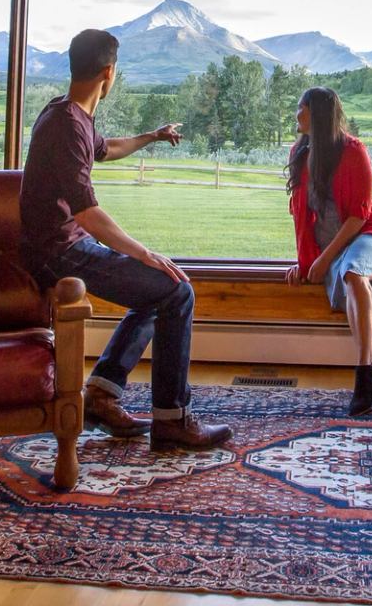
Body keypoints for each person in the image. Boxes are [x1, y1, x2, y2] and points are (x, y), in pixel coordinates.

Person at [18, 28, 233, 450]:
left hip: (64, 243)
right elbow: (87, 211)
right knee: (176, 290)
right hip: (56, 252)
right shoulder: (66, 125)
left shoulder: (70, 114)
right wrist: (144, 253)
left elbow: (108, 148)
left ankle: (100, 393)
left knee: (161, 290)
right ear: (109, 72)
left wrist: (152, 135)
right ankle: (172, 419)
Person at [284, 87, 372, 415]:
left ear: (316, 114)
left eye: (301, 108)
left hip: (368, 234)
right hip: (335, 248)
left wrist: (323, 259)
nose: (297, 115)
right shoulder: (300, 153)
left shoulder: (353, 151)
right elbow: (302, 218)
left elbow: (359, 216)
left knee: (353, 274)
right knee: (356, 289)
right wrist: (305, 262)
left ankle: (363, 372)